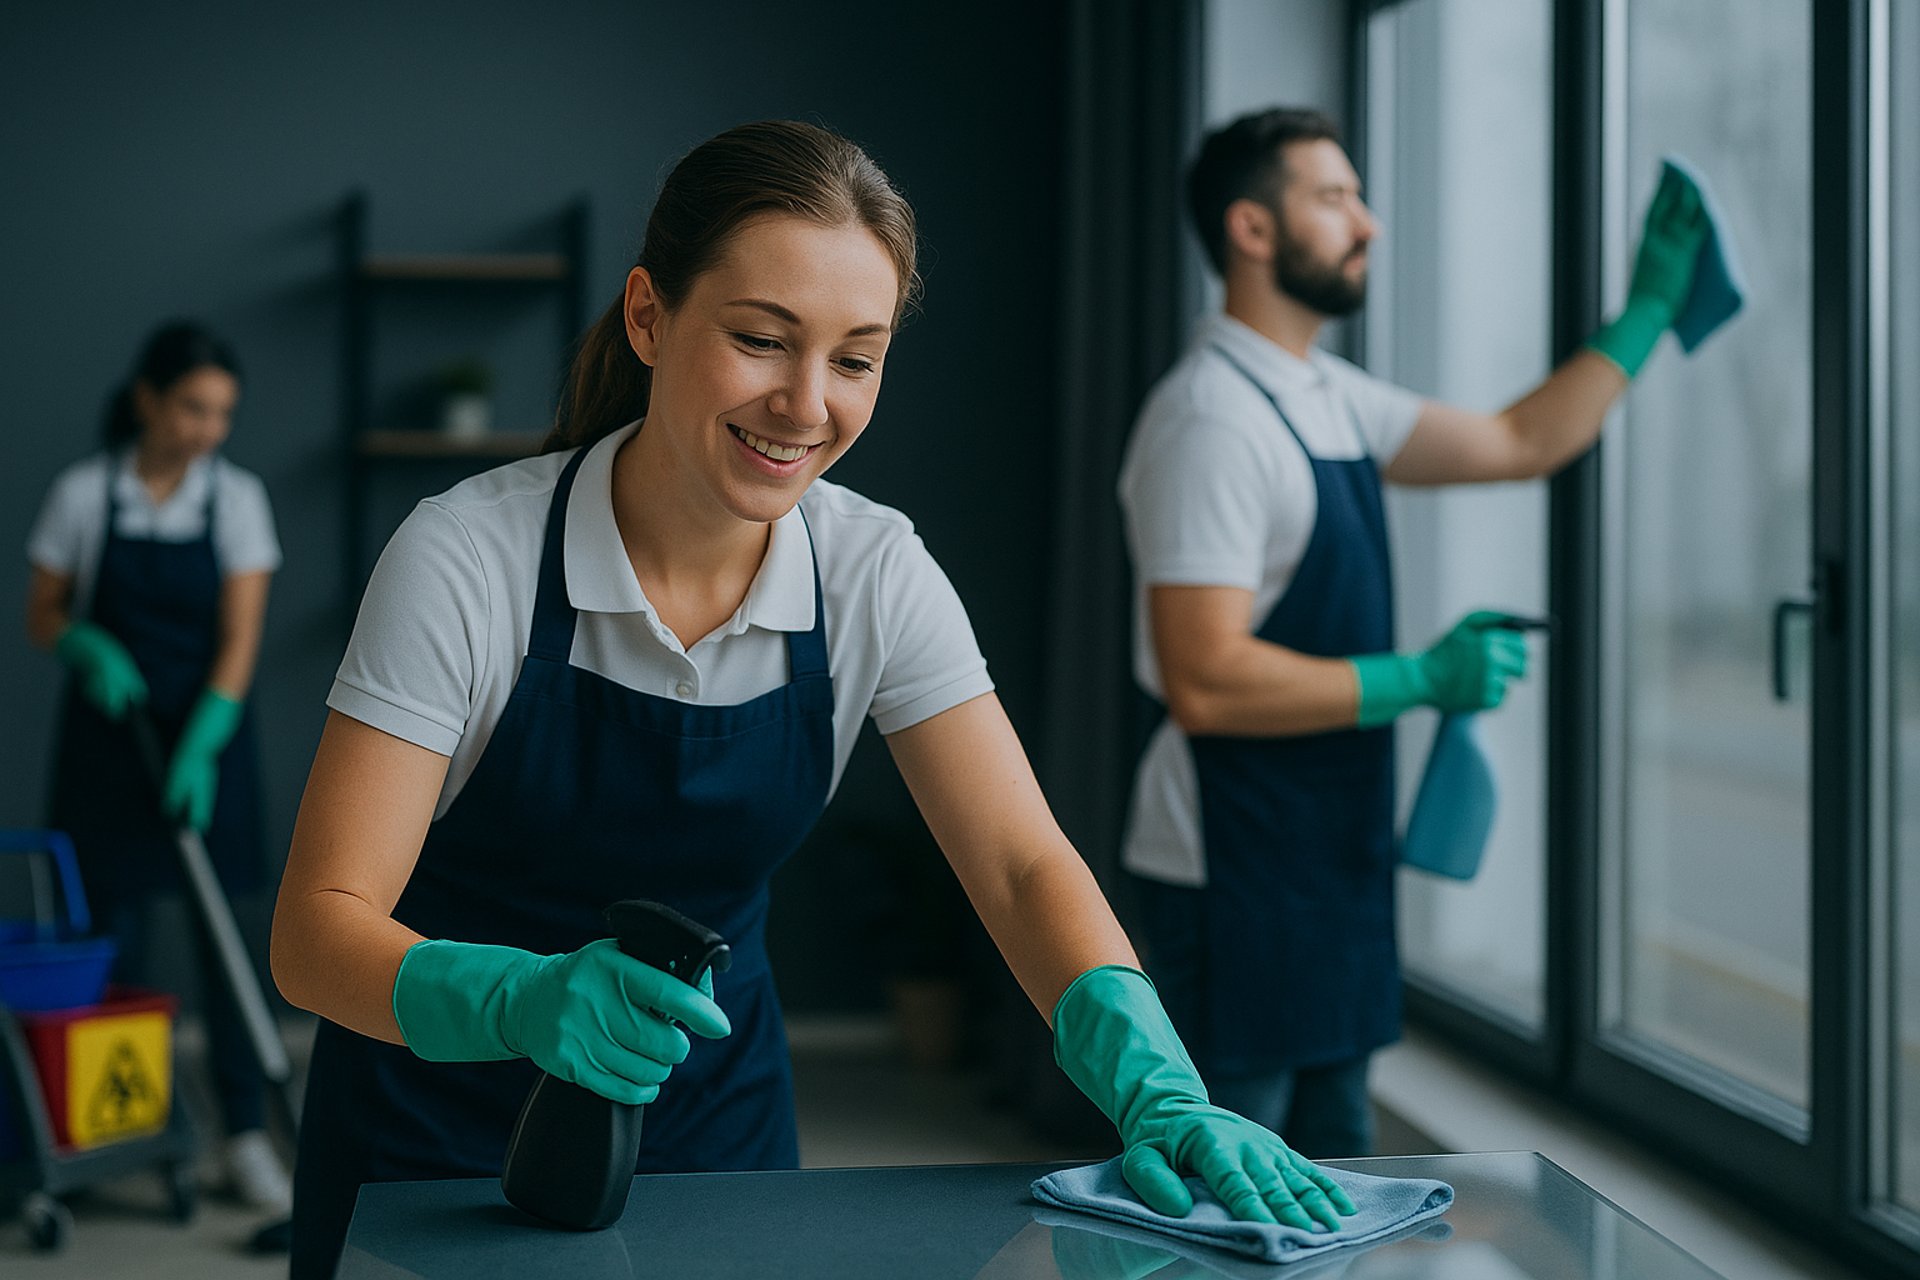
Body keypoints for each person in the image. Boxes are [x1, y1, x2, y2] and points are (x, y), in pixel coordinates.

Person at [270, 119, 1362, 1279]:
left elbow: (1021, 865)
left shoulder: (873, 569)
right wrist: (517, 999)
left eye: (856, 358)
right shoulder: (468, 558)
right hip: (428, 1148)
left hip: (721, 1146)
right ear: (650, 316)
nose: (805, 403)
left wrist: (1159, 1083)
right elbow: (314, 929)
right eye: (760, 338)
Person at [1119, 107, 1706, 1157]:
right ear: (1252, 230)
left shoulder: (1325, 396)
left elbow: (1522, 439)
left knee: (1337, 1161)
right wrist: (1423, 676)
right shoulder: (1212, 420)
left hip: (1333, 855)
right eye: (1336, 198)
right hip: (1231, 868)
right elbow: (1203, 678)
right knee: (1223, 1184)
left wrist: (1649, 308)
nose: (1371, 224)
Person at [26, 320, 291, 1209]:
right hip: (109, 751)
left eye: (222, 413)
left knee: (224, 949)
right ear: (148, 398)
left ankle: (246, 1137)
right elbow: (43, 612)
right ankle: (109, 1136)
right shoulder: (83, 494)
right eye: (191, 407)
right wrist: (83, 645)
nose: (208, 429)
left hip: (202, 751)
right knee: (115, 940)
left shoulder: (237, 500)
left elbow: (240, 637)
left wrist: (204, 741)